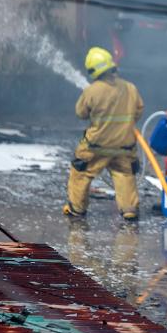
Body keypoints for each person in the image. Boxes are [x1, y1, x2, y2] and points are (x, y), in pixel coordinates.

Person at [64, 46, 144, 220]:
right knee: (125, 174)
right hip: (124, 144)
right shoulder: (130, 88)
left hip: (96, 145)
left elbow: (81, 113)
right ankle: (129, 209)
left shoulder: (92, 90)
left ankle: (77, 209)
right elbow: (138, 110)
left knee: (80, 172)